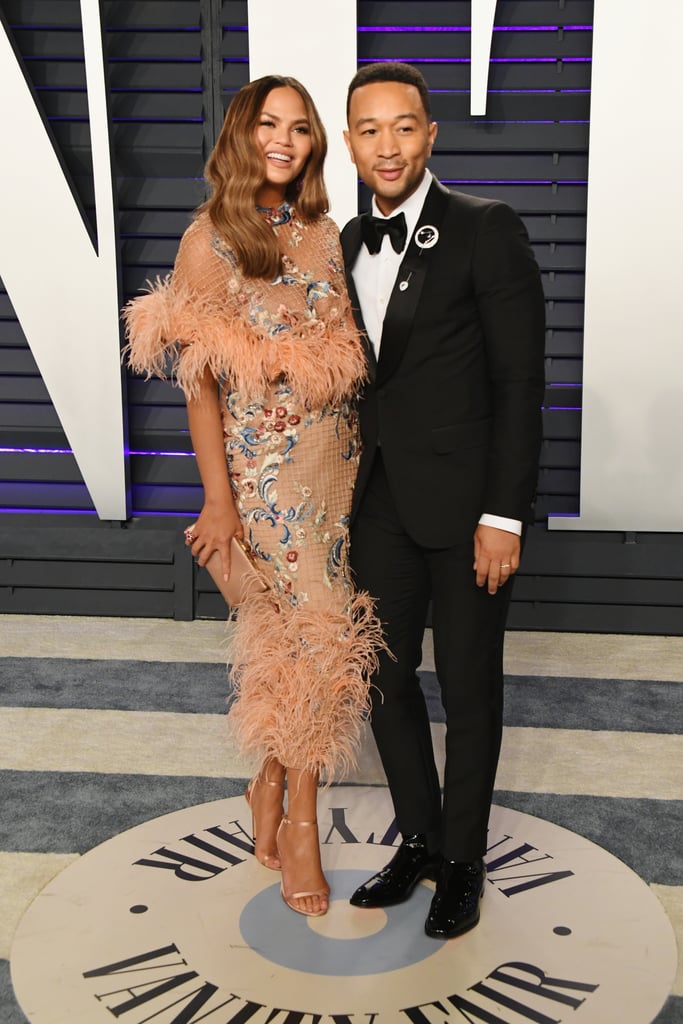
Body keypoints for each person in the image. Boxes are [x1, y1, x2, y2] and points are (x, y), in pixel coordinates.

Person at [123, 75, 383, 919]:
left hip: (335, 466)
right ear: (241, 134)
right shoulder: (210, 239)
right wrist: (219, 502)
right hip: (261, 474)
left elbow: (351, 347)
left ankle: (267, 780)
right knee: (319, 635)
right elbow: (199, 385)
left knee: (304, 644)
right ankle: (301, 822)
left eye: (301, 129)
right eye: (270, 125)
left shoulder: (321, 232)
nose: (286, 140)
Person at [341, 62, 546, 938]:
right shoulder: (344, 241)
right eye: (369, 129)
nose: (387, 145)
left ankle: (462, 858)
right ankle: (418, 838)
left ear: (430, 136)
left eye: (404, 127)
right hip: (378, 502)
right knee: (382, 681)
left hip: (467, 511)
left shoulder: (483, 228)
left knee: (467, 686)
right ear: (349, 143)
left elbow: (519, 381)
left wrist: (503, 515)